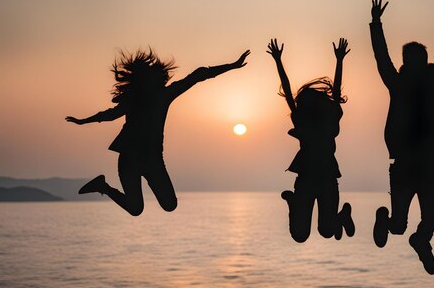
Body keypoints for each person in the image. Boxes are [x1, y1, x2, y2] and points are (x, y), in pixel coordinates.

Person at [65, 48, 250, 216]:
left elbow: (198, 75)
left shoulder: (164, 95)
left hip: (153, 159)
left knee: (170, 204)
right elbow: (110, 114)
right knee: (136, 208)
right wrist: (83, 121)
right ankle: (102, 186)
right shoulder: (134, 99)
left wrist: (232, 66)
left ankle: (102, 186)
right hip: (130, 158)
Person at [369, 0, 434, 274]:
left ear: (422, 61)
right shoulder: (401, 84)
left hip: (423, 162)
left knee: (430, 218)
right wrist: (376, 25)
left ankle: (420, 240)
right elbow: (382, 58)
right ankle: (387, 220)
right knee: (400, 224)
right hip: (407, 163)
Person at [267, 38, 355, 243]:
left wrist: (340, 61)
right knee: (299, 235)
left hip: (326, 178)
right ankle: (293, 203)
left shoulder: (329, 117)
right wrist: (278, 62)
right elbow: (287, 93)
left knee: (326, 231)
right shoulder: (303, 119)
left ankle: (342, 216)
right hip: (306, 178)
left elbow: (336, 93)